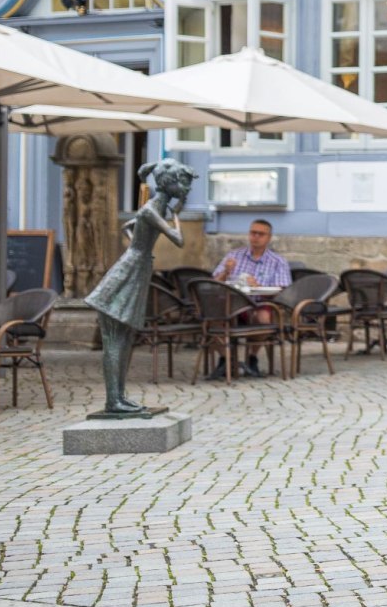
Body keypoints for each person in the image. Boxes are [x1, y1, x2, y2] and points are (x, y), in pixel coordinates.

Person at [85, 160, 196, 416]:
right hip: (128, 271)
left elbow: (128, 228)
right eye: (185, 185)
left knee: (125, 339)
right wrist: (176, 216)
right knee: (114, 340)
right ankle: (113, 401)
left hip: (137, 267)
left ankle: (119, 397)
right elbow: (178, 240)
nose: (187, 191)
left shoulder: (156, 207)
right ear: (169, 183)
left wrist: (138, 243)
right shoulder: (151, 209)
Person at [207, 219, 292, 378]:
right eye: (253, 233)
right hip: (231, 303)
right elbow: (214, 283)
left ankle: (252, 358)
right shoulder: (233, 256)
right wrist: (226, 271)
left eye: (261, 234)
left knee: (264, 317)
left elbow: (282, 290)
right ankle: (225, 359)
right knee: (211, 316)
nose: (256, 237)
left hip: (259, 302)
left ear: (269, 237)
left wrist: (258, 285)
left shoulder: (278, 261)